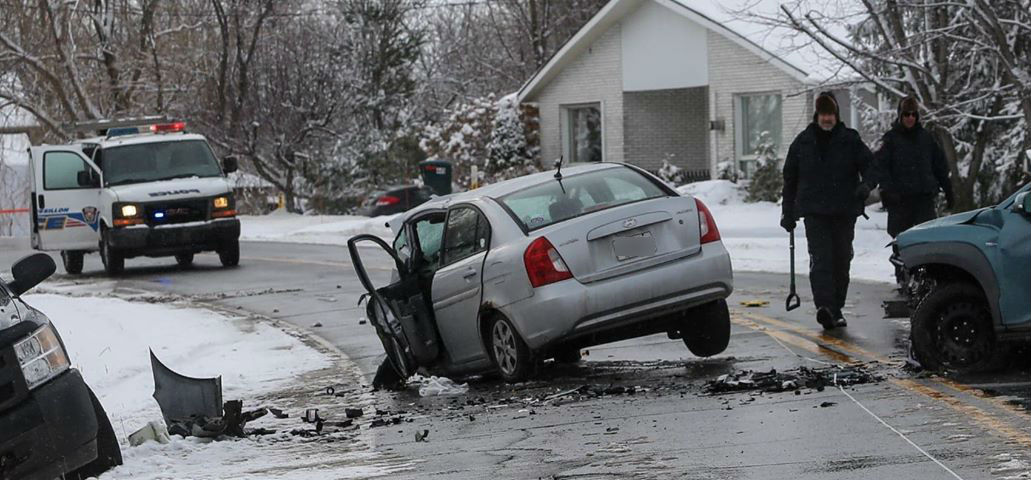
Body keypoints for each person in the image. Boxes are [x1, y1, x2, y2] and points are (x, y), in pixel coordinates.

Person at [781, 92, 874, 329]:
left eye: (830, 114)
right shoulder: (803, 142)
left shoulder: (850, 140)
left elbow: (873, 166)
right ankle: (825, 307)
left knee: (841, 261)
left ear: (836, 115)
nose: (827, 119)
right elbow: (790, 179)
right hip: (815, 213)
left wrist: (866, 186)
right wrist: (787, 212)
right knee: (821, 260)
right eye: (823, 114)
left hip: (844, 211)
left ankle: (836, 308)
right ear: (817, 115)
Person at [870, 96, 954, 284]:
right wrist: (888, 190)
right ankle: (903, 279)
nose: (910, 118)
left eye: (913, 114)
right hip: (899, 201)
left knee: (925, 240)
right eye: (906, 114)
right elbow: (880, 167)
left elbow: (940, 166)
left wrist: (948, 190)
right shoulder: (891, 140)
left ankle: (924, 280)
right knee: (902, 242)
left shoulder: (926, 139)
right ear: (900, 116)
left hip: (923, 199)